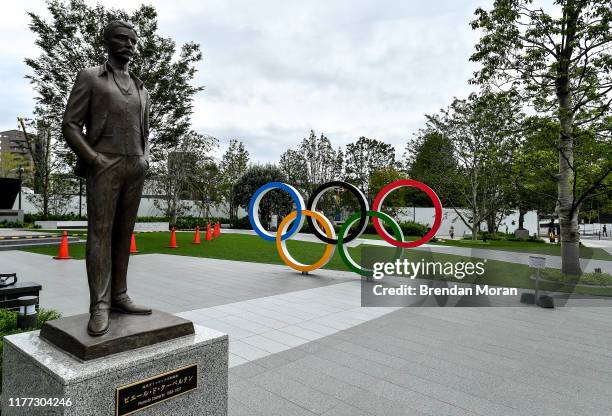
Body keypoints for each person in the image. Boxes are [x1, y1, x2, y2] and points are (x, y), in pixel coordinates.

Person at [62, 20, 152, 336]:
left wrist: (145, 158)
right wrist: (93, 159)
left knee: (124, 233)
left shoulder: (143, 89)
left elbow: (146, 131)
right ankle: (99, 305)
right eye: (122, 38)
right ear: (108, 42)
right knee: (100, 233)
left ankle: (119, 295)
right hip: (104, 164)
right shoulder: (90, 78)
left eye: (133, 40)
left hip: (134, 167)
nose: (129, 44)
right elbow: (70, 125)